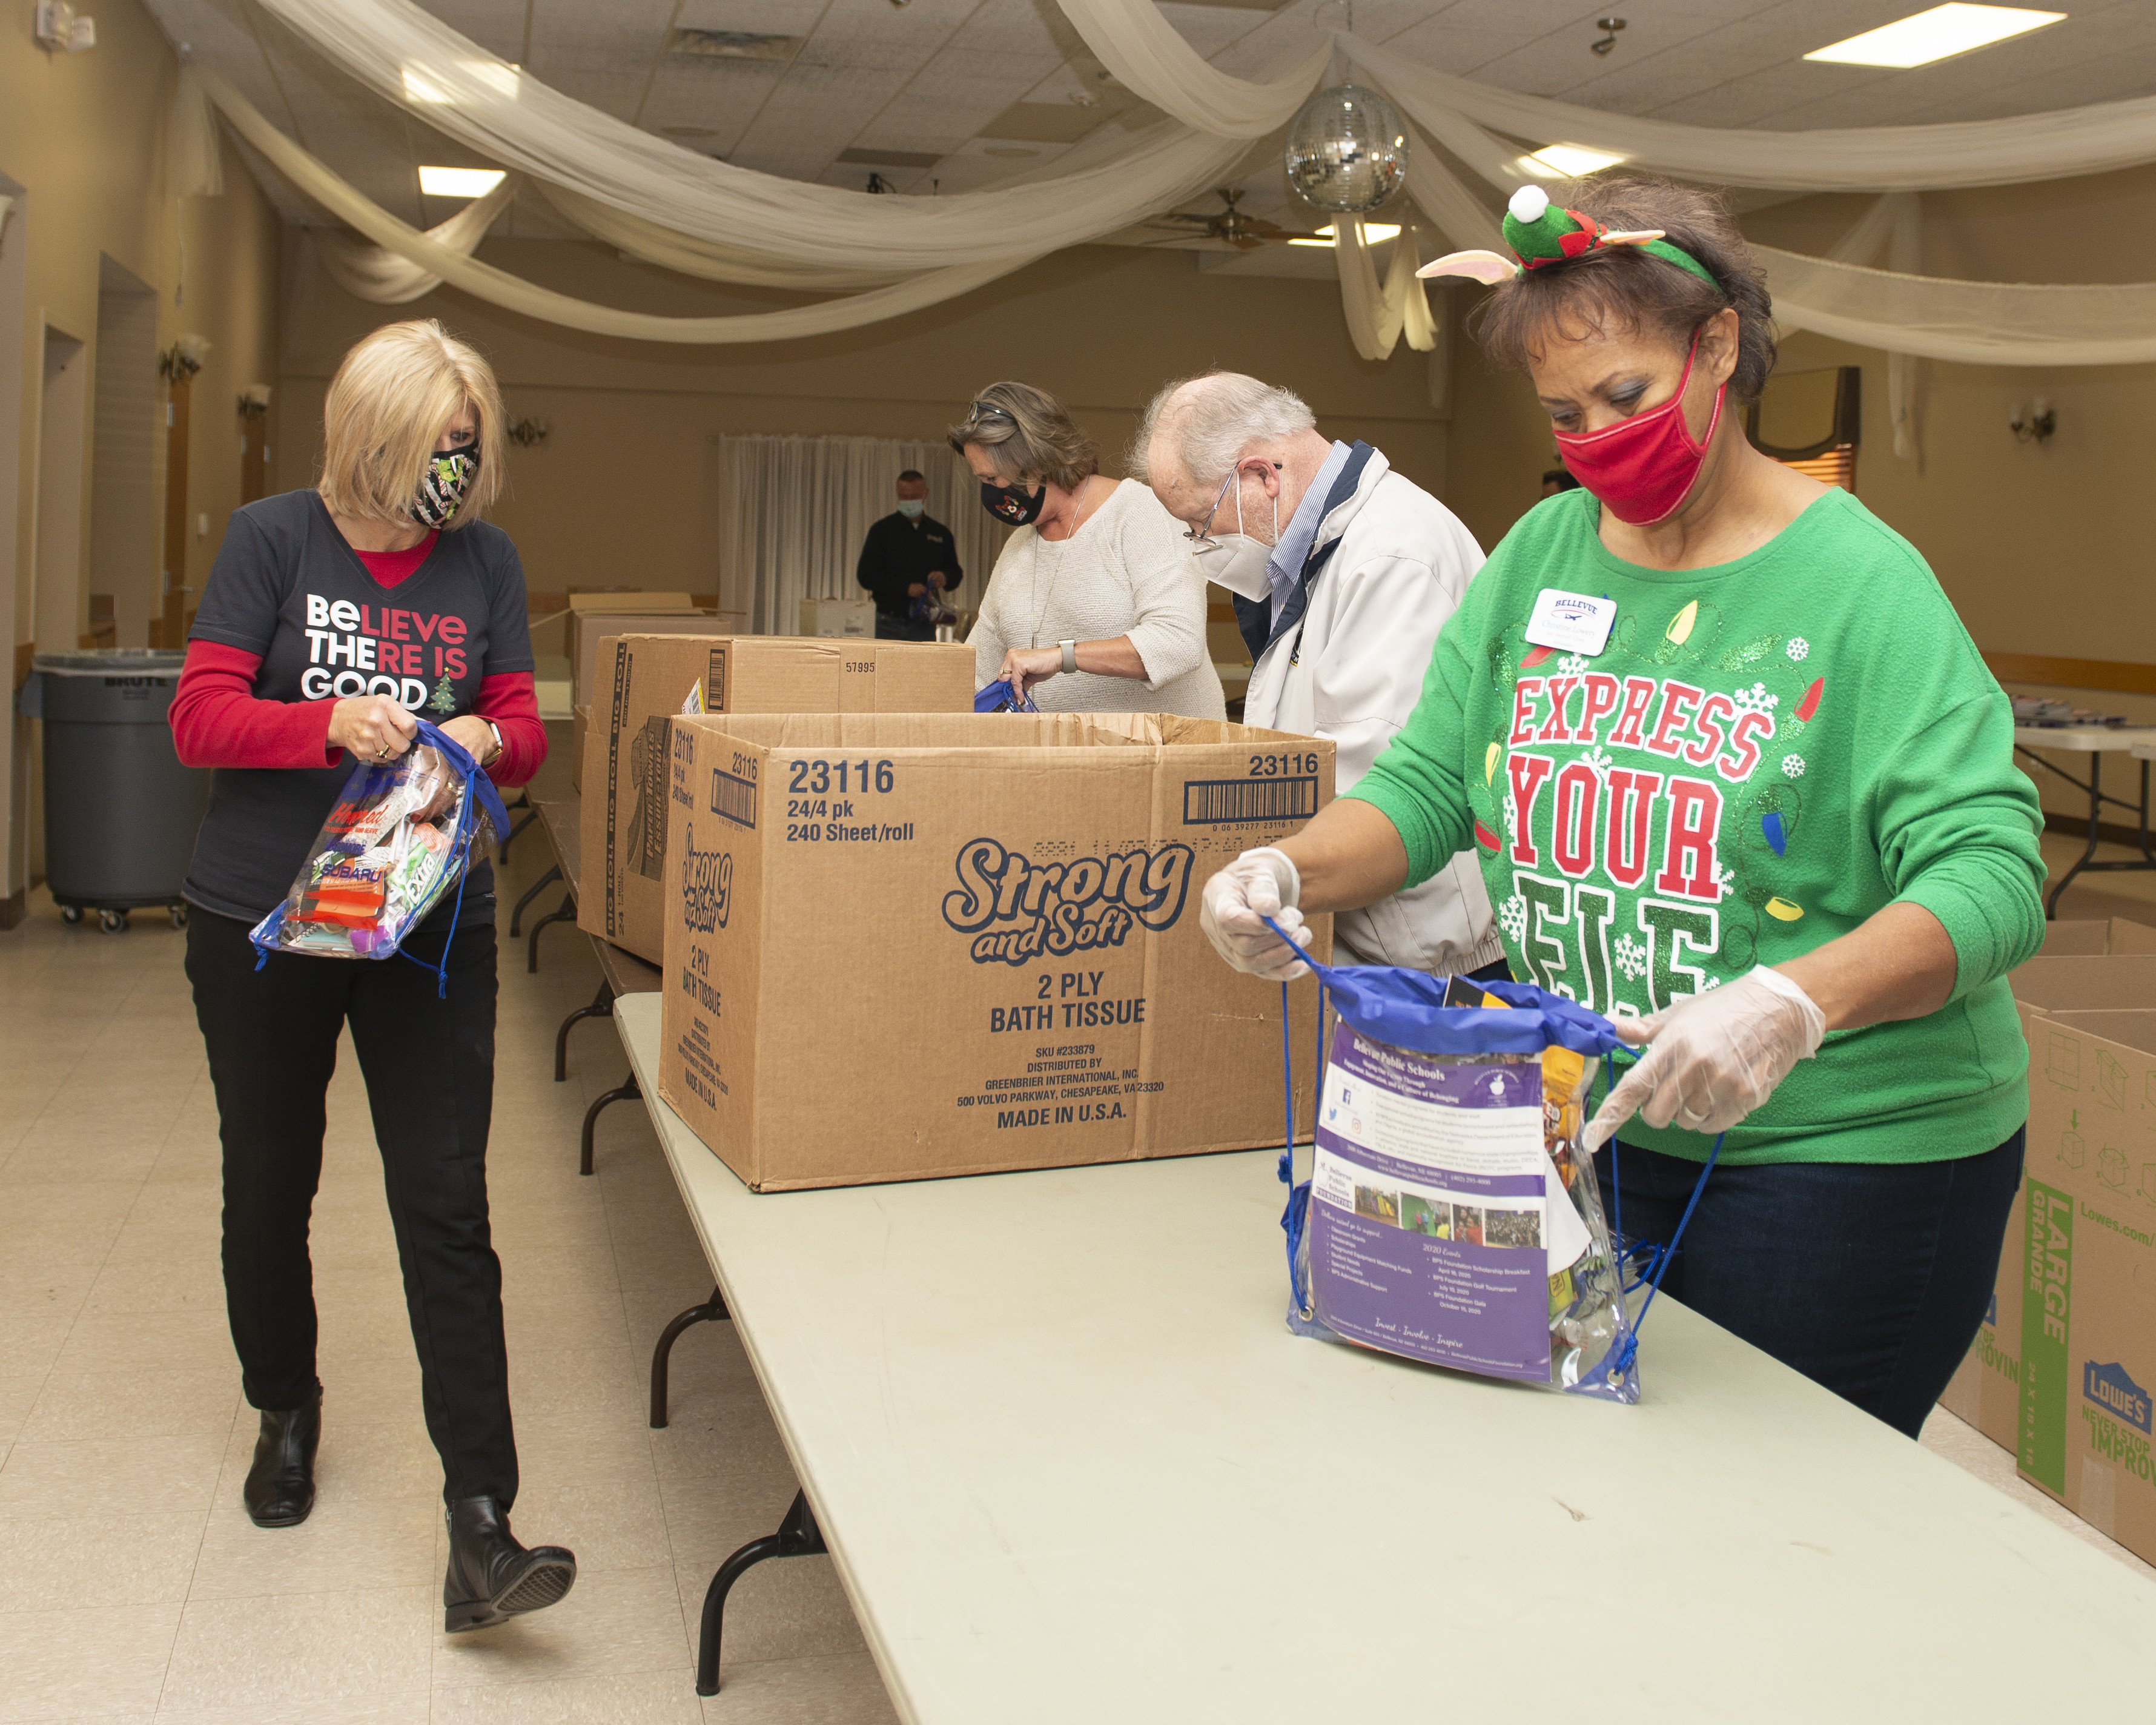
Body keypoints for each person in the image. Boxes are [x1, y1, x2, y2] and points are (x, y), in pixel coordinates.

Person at [1197, 178, 2045, 1439]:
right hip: (1601, 1115)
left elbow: (1991, 878)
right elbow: (1431, 785)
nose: (1596, 436)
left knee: (1772, 1498)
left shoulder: (1862, 583)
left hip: (1844, 1152)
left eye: (1628, 395)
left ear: (1718, 349)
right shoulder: (1542, 556)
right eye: (1563, 412)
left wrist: (1790, 1001)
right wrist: (1286, 868)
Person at [170, 319, 578, 1632]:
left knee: (447, 1200)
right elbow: (198, 715)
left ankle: (482, 1521)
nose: (458, 467)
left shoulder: (485, 562)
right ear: (373, 435)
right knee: (270, 1178)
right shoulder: (273, 540)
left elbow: (523, 727)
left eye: (472, 445)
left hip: (426, 917)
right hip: (267, 914)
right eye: (439, 444)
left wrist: (483, 738)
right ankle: (285, 1406)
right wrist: (327, 720)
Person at [1135, 371, 1503, 977]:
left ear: (1262, 476)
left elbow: (1380, 781)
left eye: (1201, 522)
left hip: (1427, 958)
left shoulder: (1393, 555)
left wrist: (1245, 849)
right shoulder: (1312, 557)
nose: (1201, 544)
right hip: (1356, 932)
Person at [953, 382, 1224, 718]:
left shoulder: (1140, 513)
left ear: (1036, 461)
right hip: (1070, 751)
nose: (990, 493)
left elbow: (1178, 642)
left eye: (993, 479)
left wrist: (1062, 656)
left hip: (1168, 745)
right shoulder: (1020, 546)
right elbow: (979, 672)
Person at [856, 468, 963, 641]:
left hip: (924, 623)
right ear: (897, 494)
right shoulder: (882, 530)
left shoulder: (940, 533)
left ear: (925, 494)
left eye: (914, 497)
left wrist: (944, 577)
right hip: (887, 621)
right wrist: (905, 588)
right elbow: (866, 575)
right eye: (904, 497)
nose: (909, 501)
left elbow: (956, 573)